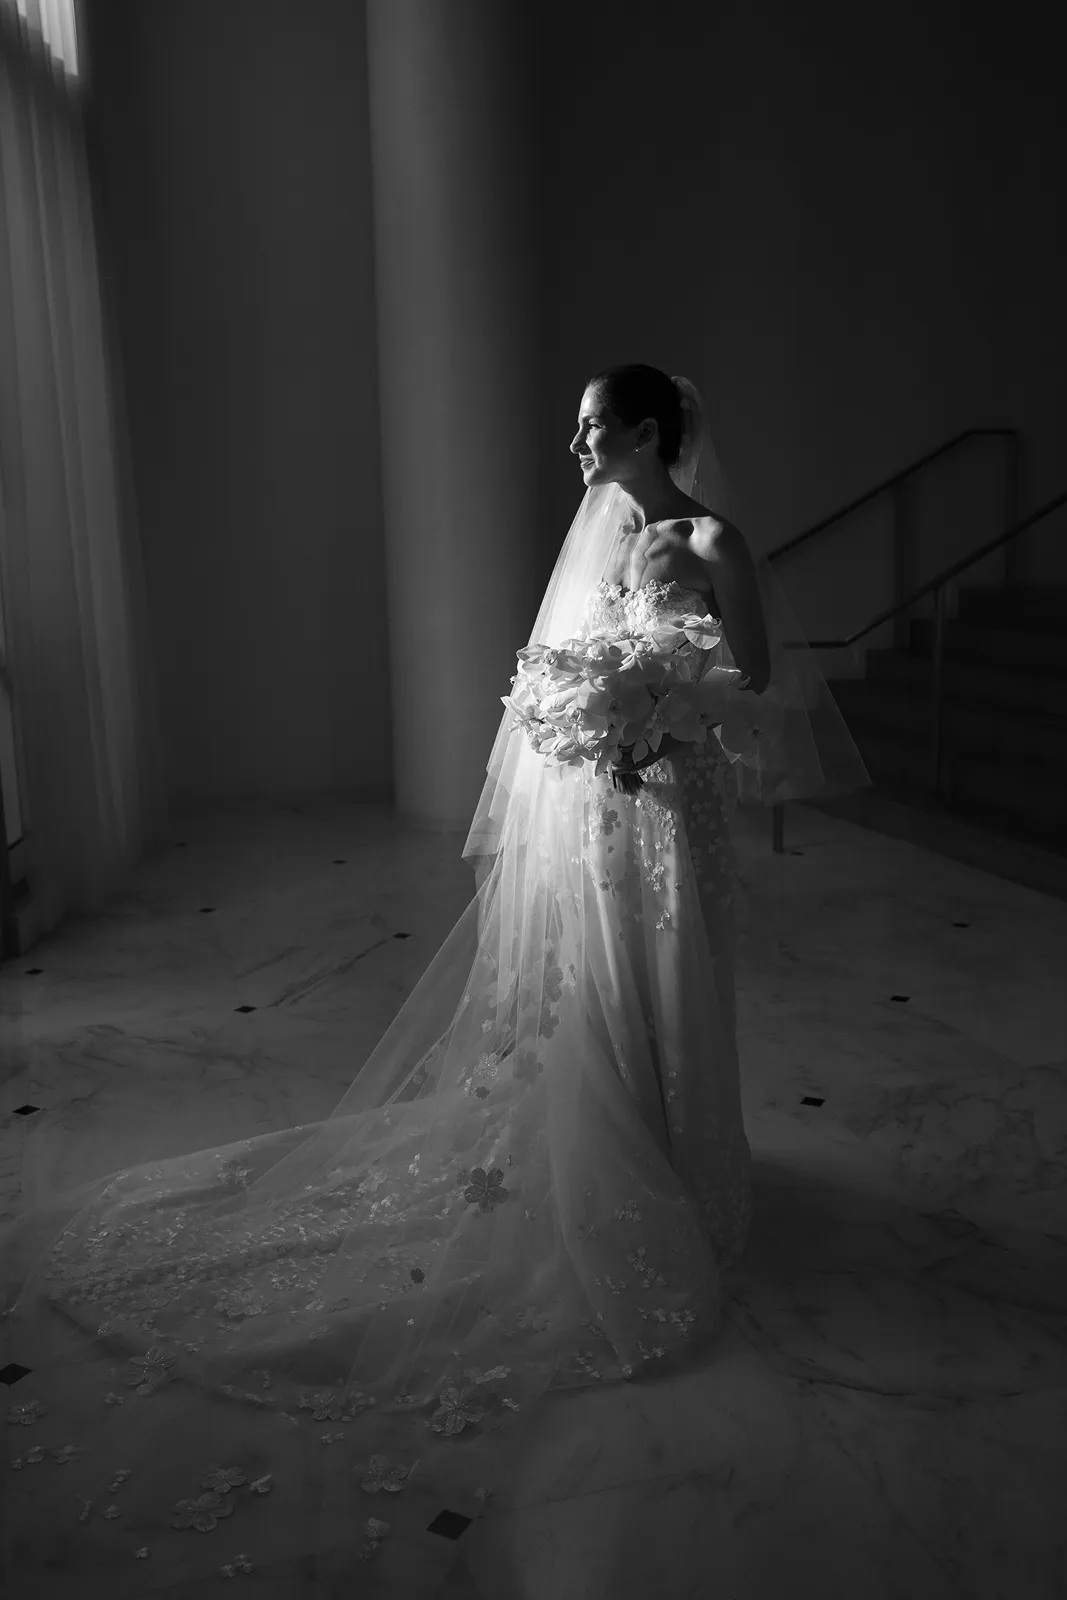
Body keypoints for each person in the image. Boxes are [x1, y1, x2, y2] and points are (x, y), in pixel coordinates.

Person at [1, 368, 867, 1592]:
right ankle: (614, 1147)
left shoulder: (709, 537)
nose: (572, 440)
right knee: (596, 981)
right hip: (598, 806)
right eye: (574, 423)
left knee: (669, 973)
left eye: (591, 423)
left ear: (646, 429)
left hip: (674, 803)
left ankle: (677, 1160)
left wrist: (661, 707)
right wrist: (587, 711)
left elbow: (759, 678)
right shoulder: (605, 538)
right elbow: (563, 672)